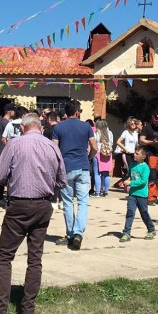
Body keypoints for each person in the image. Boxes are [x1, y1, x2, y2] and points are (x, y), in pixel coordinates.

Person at [0, 112, 65, 314]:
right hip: (43, 204)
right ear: (39, 126)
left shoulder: (15, 144)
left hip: (19, 203)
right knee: (35, 257)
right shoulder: (52, 147)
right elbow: (62, 180)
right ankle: (27, 311)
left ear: (23, 127)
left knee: (4, 256)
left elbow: (0, 176)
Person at [51, 100, 96, 250]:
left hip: (66, 168)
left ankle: (70, 234)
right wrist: (88, 158)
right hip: (83, 167)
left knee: (68, 202)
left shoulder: (58, 127)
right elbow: (94, 147)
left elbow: (54, 149)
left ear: (66, 112)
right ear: (77, 112)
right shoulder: (86, 126)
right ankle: (78, 232)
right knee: (83, 202)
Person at [120, 147, 157, 242]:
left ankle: (151, 229)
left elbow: (143, 181)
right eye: (135, 153)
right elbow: (129, 175)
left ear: (143, 156)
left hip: (142, 195)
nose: (134, 155)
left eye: (137, 153)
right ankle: (126, 233)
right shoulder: (132, 165)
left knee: (144, 213)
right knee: (130, 212)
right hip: (132, 194)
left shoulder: (145, 168)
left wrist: (131, 183)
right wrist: (125, 179)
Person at [114, 117, 139, 189]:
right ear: (129, 124)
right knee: (131, 169)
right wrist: (125, 148)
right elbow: (118, 142)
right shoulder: (126, 132)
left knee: (135, 169)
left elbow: (136, 144)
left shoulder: (136, 133)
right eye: (132, 123)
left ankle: (132, 184)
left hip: (134, 154)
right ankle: (128, 185)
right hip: (127, 154)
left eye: (134, 123)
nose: (133, 124)